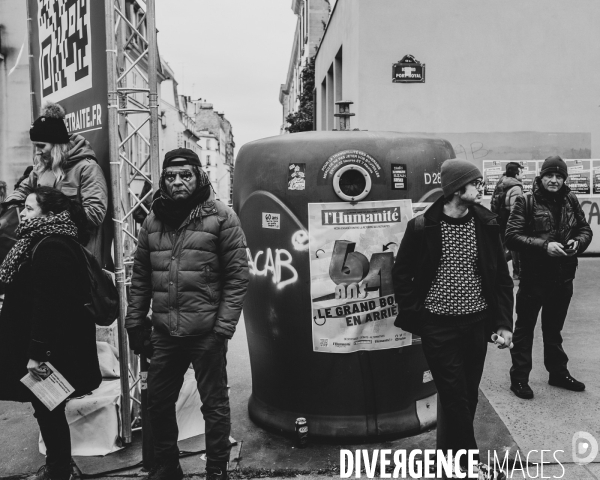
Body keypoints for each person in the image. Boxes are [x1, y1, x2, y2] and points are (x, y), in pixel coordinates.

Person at [125, 148, 249, 480]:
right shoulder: (152, 220)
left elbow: (239, 276)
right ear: (163, 180)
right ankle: (167, 466)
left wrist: (222, 327)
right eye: (170, 176)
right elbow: (140, 278)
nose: (178, 182)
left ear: (198, 176)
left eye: (185, 175)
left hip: (207, 332)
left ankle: (217, 470)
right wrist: (135, 322)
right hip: (165, 332)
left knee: (215, 406)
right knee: (159, 403)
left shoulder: (221, 217)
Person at [392, 159, 513, 479]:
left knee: (467, 395)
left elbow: (501, 277)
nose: (481, 187)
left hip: (476, 325)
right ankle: (472, 465)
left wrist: (503, 323)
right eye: (475, 183)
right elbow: (401, 275)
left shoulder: (486, 224)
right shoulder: (423, 226)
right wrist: (418, 319)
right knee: (454, 396)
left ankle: (450, 462)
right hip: (438, 326)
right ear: (458, 189)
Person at [0, 186, 101, 480]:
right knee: (47, 407)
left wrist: (36, 354)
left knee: (48, 408)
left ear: (52, 214)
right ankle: (59, 468)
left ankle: (58, 471)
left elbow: (49, 306)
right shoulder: (40, 240)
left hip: (48, 352)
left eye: (30, 209)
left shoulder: (52, 245)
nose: (23, 214)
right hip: (46, 348)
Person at [505, 155, 592, 399]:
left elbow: (585, 229)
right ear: (541, 177)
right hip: (534, 278)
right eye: (549, 176)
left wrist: (579, 242)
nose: (554, 180)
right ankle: (520, 379)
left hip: (563, 278)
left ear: (564, 179)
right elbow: (511, 236)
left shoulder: (570, 199)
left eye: (558, 176)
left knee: (553, 330)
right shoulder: (526, 201)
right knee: (524, 329)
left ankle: (558, 373)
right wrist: (545, 246)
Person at [4, 103, 108, 263]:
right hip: (44, 251)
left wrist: (51, 217)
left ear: (57, 144)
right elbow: (23, 189)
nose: (37, 151)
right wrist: (8, 209)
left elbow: (96, 214)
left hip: (78, 255)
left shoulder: (87, 169)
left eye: (41, 145)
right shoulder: (41, 167)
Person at [490, 162, 524, 280]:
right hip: (510, 223)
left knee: (503, 248)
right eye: (521, 171)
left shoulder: (501, 183)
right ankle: (516, 272)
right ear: (516, 174)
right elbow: (516, 210)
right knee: (515, 248)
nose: (523, 174)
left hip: (500, 220)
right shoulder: (516, 187)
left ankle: (494, 268)